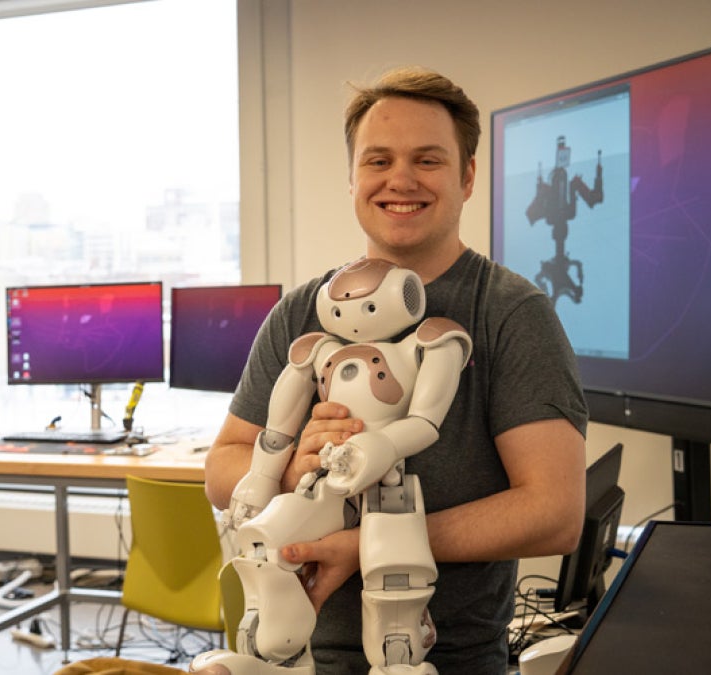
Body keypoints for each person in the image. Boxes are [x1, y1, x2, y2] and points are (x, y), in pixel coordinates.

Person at [199, 66, 588, 674]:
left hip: (450, 658)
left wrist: (369, 548)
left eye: (427, 160)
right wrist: (285, 467)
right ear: (353, 177)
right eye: (377, 161)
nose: (399, 180)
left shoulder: (509, 314)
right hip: (303, 655)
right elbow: (223, 469)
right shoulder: (300, 313)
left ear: (467, 177)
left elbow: (554, 513)